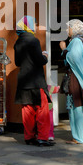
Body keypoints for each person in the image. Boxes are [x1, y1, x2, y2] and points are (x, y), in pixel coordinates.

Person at [14, 16, 53, 146]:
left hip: (23, 83)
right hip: (36, 81)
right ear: (29, 26)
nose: (36, 27)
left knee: (27, 111)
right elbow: (40, 61)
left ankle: (29, 138)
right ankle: (42, 138)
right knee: (42, 110)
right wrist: (45, 56)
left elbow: (18, 62)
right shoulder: (34, 41)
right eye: (35, 24)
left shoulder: (18, 42)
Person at [59, 19, 83, 144]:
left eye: (69, 27)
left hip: (76, 80)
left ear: (75, 28)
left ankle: (78, 137)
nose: (67, 30)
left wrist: (64, 49)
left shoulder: (76, 41)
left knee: (76, 109)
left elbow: (73, 58)